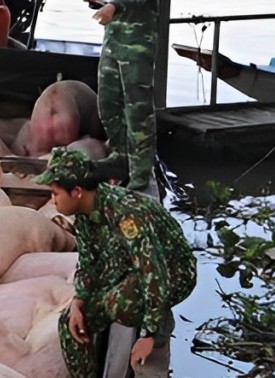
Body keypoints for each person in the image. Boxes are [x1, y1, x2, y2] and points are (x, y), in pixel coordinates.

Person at [33, 147, 196, 377]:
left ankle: (161, 326)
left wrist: (148, 335)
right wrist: (80, 298)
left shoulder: (126, 215)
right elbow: (89, 262)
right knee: (69, 323)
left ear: (77, 192)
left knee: (119, 303)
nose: (52, 200)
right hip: (129, 263)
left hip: (174, 270)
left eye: (55, 193)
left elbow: (154, 272)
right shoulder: (84, 215)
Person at [83, 0, 162, 192]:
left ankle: (141, 171)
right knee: (107, 104)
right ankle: (122, 155)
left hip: (136, 47)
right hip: (113, 43)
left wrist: (113, 5)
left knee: (137, 110)